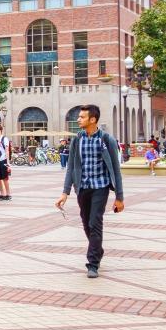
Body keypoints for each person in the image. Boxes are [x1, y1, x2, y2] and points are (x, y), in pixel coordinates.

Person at [55, 104, 124, 279]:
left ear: (93, 120)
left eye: (82, 117)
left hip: (100, 187)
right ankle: (98, 249)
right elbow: (71, 167)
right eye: (78, 117)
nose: (78, 119)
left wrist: (119, 197)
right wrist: (65, 192)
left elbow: (116, 169)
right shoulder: (77, 140)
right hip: (83, 188)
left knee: (95, 223)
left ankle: (92, 263)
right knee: (86, 224)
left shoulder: (107, 139)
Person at [0, 124, 12, 201]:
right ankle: (2, 194)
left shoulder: (5, 139)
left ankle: (8, 194)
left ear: (0, 130)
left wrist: (8, 163)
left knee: (5, 178)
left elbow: (7, 151)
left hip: (3, 160)